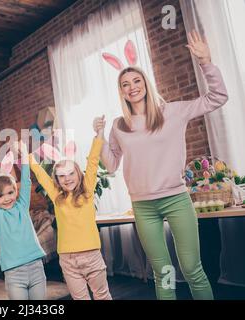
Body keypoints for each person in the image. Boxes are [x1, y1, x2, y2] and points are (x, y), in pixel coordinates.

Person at [97, 30, 228, 300]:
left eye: (136, 80)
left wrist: (206, 62)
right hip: (143, 207)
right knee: (164, 272)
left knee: (193, 269)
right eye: (125, 84)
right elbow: (110, 166)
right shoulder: (119, 126)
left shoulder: (173, 112)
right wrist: (98, 138)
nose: (132, 86)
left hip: (177, 199)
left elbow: (217, 97)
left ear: (145, 84)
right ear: (121, 91)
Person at [29, 126, 112, 300]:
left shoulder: (87, 191)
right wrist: (26, 154)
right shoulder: (56, 196)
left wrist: (99, 135)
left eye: (70, 173)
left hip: (91, 256)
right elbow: (40, 174)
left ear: (78, 174)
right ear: (57, 180)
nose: (67, 178)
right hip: (67, 260)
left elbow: (93, 162)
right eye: (62, 176)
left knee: (102, 296)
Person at [0, 141, 47, 300]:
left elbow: (25, 180)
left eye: (10, 192)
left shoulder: (22, 206)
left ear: (16, 191)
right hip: (14, 274)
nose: (6, 199)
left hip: (36, 268)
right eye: (0, 196)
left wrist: (24, 153)